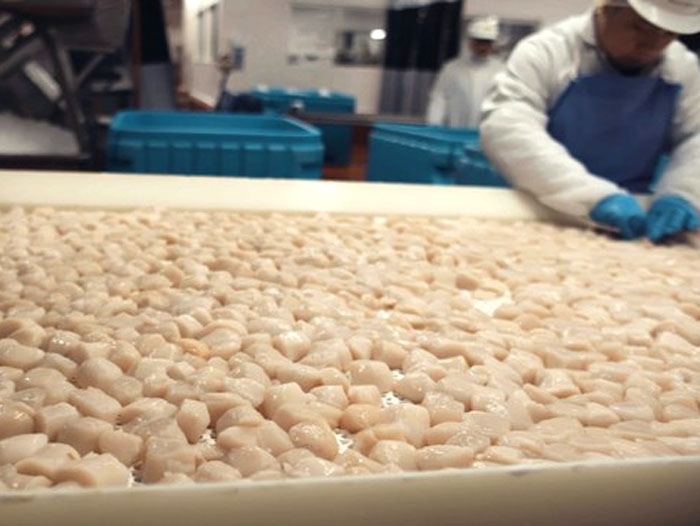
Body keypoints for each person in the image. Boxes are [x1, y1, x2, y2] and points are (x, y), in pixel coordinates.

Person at [480, 0, 700, 243]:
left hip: (636, 214)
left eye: (669, 33)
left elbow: (695, 136)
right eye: (641, 28)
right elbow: (508, 126)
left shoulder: (682, 67)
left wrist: (683, 193)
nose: (654, 44)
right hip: (546, 204)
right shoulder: (548, 52)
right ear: (605, 9)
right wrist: (591, 196)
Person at [426, 16, 503, 129]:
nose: (482, 47)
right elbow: (439, 99)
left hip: (487, 133)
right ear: (470, 42)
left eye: (487, 43)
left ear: (492, 44)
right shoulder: (452, 69)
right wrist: (434, 127)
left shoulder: (501, 71)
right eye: (479, 42)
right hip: (455, 131)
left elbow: (507, 104)